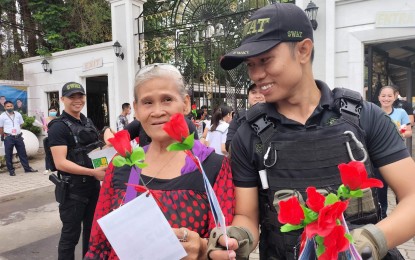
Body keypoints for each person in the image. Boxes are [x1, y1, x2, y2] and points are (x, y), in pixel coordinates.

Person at [208, 3, 415, 260]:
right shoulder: (248, 134)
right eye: (251, 64)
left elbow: (412, 196)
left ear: (303, 50)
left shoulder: (364, 116)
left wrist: (371, 240)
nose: (257, 75)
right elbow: (247, 216)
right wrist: (237, 239)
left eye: (265, 60)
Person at [85, 63, 234, 259]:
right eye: (147, 102)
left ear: (186, 104)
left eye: (167, 99)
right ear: (136, 109)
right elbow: (99, 244)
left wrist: (204, 248)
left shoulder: (212, 167)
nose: (157, 111)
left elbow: (223, 245)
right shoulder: (122, 166)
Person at [47, 82, 107, 260]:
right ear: (62, 99)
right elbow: (60, 163)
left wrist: (105, 165)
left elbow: (95, 150)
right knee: (70, 237)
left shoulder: (86, 121)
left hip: (93, 187)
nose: (77, 100)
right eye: (72, 96)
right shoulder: (58, 127)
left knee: (92, 234)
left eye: (80, 96)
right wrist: (93, 173)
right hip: (73, 190)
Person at [375, 85, 412, 219]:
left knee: (401, 189)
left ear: (395, 97)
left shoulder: (400, 113)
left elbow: (408, 131)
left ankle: (403, 217)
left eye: (389, 96)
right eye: (383, 96)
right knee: (380, 189)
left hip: (398, 156)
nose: (386, 98)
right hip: (378, 157)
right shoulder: (374, 112)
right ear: (379, 98)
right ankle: (382, 216)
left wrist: (400, 132)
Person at [0, 101, 38, 176]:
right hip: (8, 137)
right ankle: (11, 170)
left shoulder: (18, 114)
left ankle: (27, 168)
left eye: (11, 106)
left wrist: (17, 131)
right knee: (9, 154)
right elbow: (0, 127)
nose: (9, 107)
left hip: (18, 137)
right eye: (7, 106)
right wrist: (3, 135)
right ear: (5, 107)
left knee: (22, 153)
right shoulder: (2, 116)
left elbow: (21, 124)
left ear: (13, 106)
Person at [225, 83, 265, 152]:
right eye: (253, 92)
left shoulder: (275, 115)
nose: (258, 96)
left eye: (262, 92)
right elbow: (229, 145)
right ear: (248, 97)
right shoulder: (239, 117)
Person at [43, 106, 59, 174]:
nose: (52, 112)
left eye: (54, 111)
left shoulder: (58, 119)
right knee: (48, 153)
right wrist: (44, 127)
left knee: (57, 153)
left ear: (56, 111)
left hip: (56, 138)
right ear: (48, 111)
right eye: (51, 111)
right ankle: (47, 168)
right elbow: (44, 130)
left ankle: (57, 166)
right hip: (48, 138)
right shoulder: (45, 119)